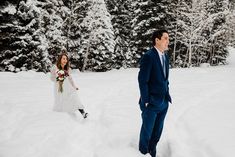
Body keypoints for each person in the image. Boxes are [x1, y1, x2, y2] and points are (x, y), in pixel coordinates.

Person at [138, 29, 172, 157]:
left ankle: (152, 152)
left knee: (157, 132)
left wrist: (166, 95)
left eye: (168, 38)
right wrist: (146, 100)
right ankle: (143, 153)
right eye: (165, 38)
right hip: (151, 103)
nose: (168, 41)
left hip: (163, 102)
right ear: (157, 40)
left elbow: (165, 79)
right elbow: (142, 80)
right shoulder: (149, 56)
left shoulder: (165, 56)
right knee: (147, 132)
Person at [50, 51, 88, 119]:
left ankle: (83, 113)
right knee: (62, 100)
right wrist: (58, 79)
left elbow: (70, 79)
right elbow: (52, 78)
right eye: (63, 59)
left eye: (66, 59)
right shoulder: (55, 67)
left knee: (74, 97)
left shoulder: (67, 69)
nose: (65, 60)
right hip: (59, 87)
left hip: (68, 86)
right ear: (60, 59)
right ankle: (64, 115)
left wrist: (74, 86)